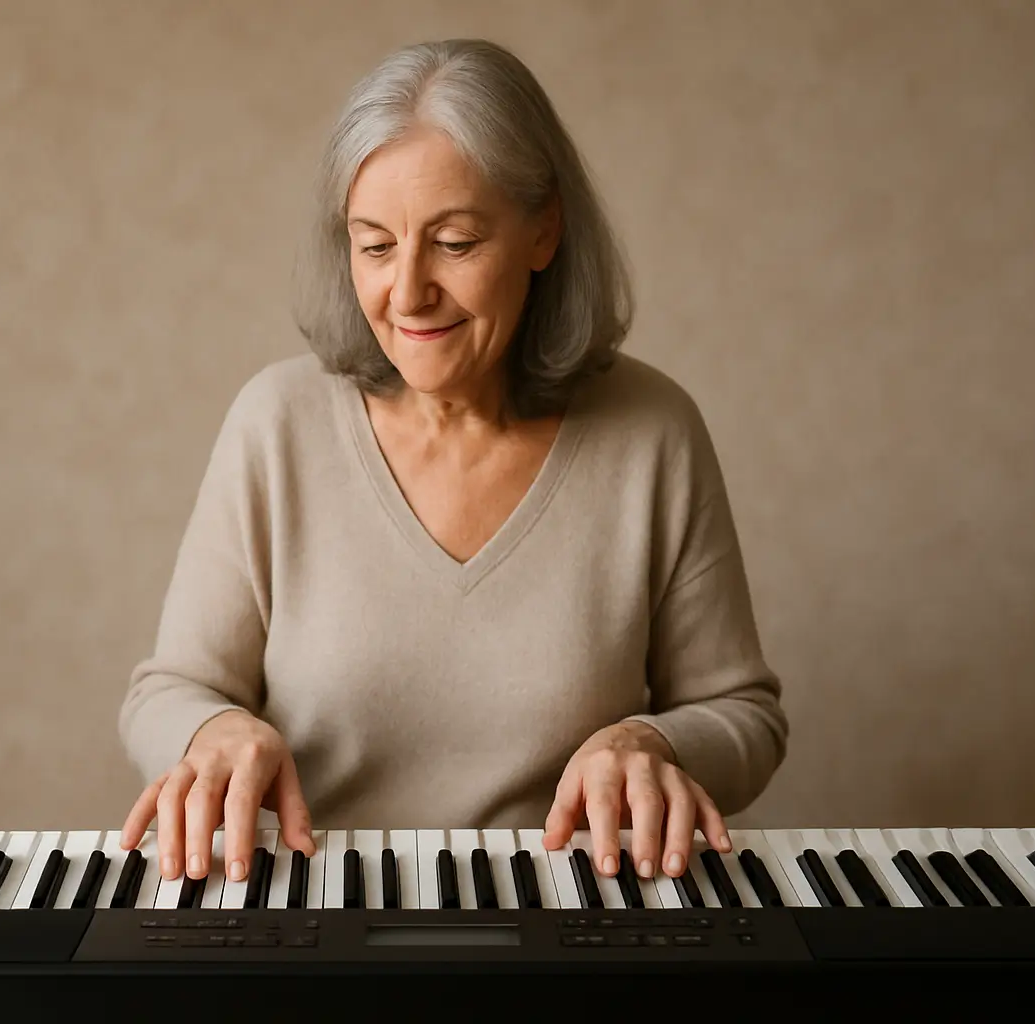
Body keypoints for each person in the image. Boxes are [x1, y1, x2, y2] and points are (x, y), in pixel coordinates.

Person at [117, 38, 788, 892]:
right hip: (314, 916)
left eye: (456, 242)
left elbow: (746, 717)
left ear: (543, 230)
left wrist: (650, 743)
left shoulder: (653, 431)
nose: (406, 293)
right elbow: (165, 692)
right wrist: (209, 729)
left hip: (573, 922)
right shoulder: (275, 423)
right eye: (374, 246)